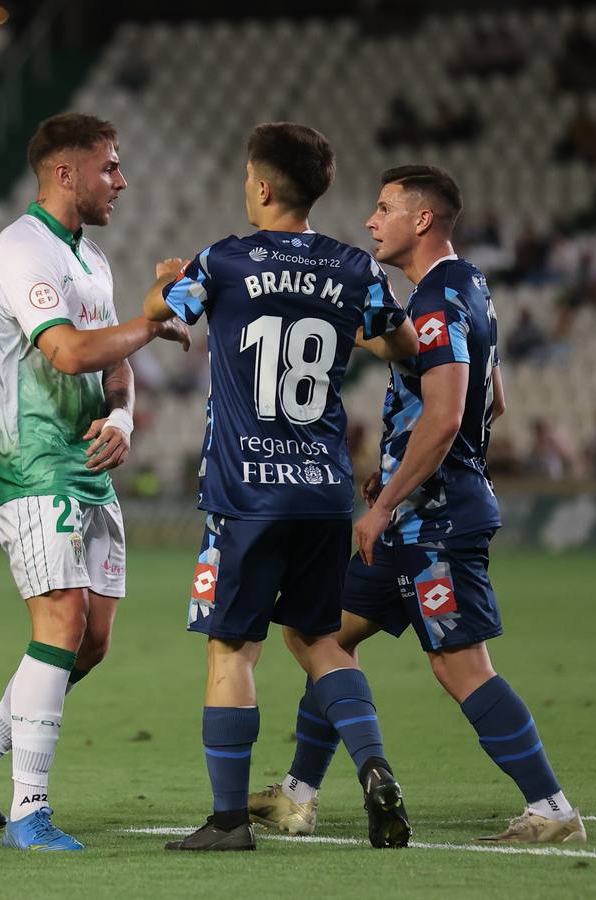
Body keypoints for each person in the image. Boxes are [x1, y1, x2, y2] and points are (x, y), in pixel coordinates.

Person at [250, 165, 586, 845]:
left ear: (422, 219)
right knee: (318, 634)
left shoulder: (433, 302)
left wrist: (388, 500)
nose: (371, 221)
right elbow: (493, 400)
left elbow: (446, 415)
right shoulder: (472, 288)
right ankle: (297, 795)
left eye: (384, 209)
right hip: (417, 510)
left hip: (435, 520)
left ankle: (551, 808)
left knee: (459, 665)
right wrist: (399, 475)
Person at [147, 123, 419, 853]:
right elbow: (403, 346)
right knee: (319, 639)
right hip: (323, 489)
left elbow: (160, 313)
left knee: (232, 649)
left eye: (247, 177)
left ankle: (228, 822)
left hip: (245, 495)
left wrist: (165, 281)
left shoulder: (224, 260)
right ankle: (374, 767)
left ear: (263, 186)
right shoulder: (356, 268)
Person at [0, 112, 189, 852]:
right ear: (64, 172)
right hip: (29, 463)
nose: (121, 180)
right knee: (59, 623)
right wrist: (152, 320)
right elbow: (71, 352)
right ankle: (29, 811)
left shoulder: (93, 259)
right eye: (109, 166)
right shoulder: (22, 249)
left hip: (86, 465)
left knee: (91, 641)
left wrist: (124, 418)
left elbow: (112, 366)